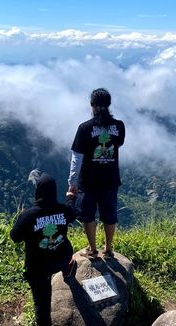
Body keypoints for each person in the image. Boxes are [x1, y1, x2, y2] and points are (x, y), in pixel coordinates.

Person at [10, 171, 76, 326]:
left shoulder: (28, 216)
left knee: (42, 307)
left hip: (39, 269)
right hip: (62, 257)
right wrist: (70, 197)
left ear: (38, 191)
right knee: (64, 250)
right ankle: (67, 269)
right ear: (54, 191)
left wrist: (25, 224)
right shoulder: (62, 210)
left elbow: (15, 237)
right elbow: (72, 213)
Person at [68, 88, 125, 259]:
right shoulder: (119, 126)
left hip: (89, 180)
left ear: (91, 105)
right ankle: (108, 249)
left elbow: (76, 158)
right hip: (110, 179)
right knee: (109, 215)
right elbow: (118, 144)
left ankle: (92, 249)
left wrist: (72, 182)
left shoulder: (85, 128)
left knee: (88, 215)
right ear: (109, 105)